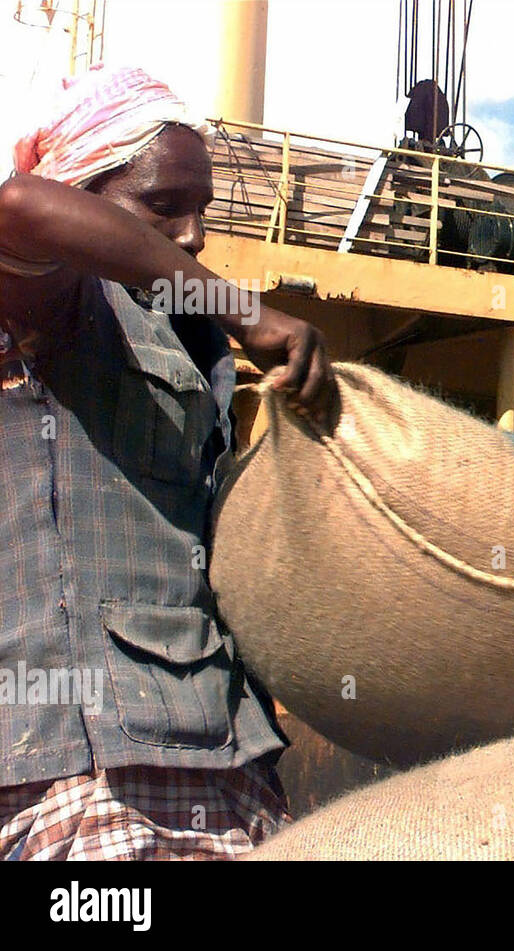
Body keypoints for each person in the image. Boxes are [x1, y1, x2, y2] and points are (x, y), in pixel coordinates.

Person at [0, 65, 336, 860]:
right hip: (78, 770)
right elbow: (16, 208)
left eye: (201, 210)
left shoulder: (185, 338)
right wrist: (243, 307)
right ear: (81, 191)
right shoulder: (55, 301)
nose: (191, 234)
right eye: (160, 206)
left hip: (222, 760)